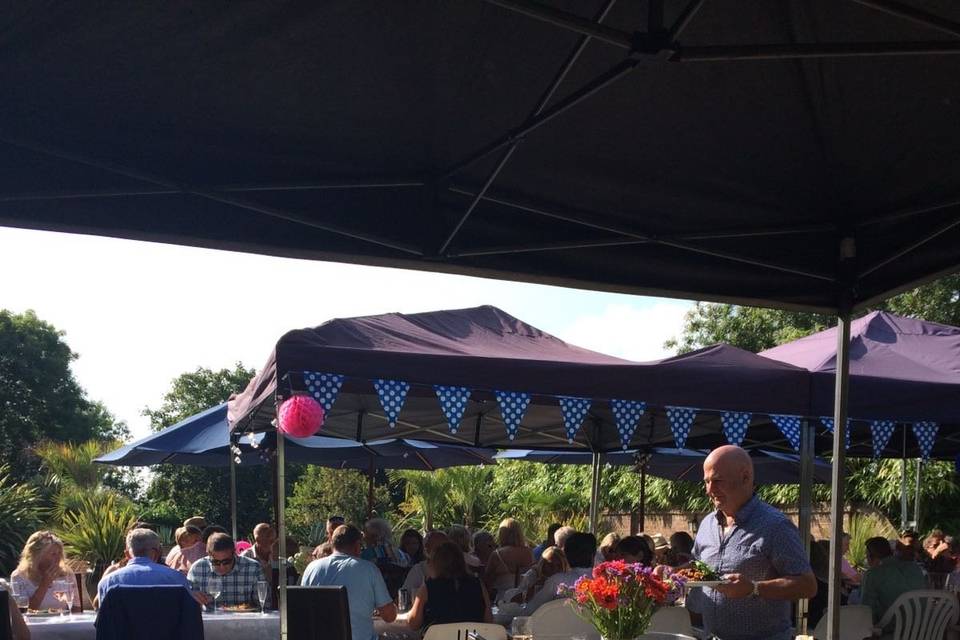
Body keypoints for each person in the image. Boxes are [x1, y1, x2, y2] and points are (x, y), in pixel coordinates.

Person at [686, 445, 817, 640]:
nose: (709, 490)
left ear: (745, 477)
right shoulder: (707, 524)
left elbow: (807, 585)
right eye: (706, 482)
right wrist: (672, 572)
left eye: (717, 480)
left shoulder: (775, 525)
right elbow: (697, 565)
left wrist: (754, 588)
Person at [301, 524, 396, 640]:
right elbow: (389, 616)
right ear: (357, 546)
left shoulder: (311, 568)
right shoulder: (368, 569)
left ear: (332, 544)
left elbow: (303, 609)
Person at [400, 541, 491, 630]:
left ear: (435, 563)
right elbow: (489, 620)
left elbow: (413, 624)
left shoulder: (428, 588)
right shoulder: (478, 585)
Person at [97, 528, 194, 605]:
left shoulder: (108, 582)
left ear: (127, 555)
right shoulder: (177, 579)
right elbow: (188, 618)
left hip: (122, 630)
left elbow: (105, 622)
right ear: (157, 553)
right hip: (165, 630)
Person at [860, 536, 927, 626]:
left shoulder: (873, 574)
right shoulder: (915, 568)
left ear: (870, 556)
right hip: (922, 629)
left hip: (891, 631)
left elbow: (866, 610)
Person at [524, 532, 596, 613]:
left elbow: (530, 609)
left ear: (567, 555)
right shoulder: (603, 583)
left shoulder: (557, 581)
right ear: (593, 556)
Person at [187, 532, 265, 607]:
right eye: (216, 562)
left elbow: (264, 605)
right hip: (208, 619)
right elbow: (187, 603)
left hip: (244, 619)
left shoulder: (253, 568)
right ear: (208, 554)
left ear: (234, 553)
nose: (222, 566)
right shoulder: (197, 569)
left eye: (226, 561)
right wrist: (193, 598)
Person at [11, 530, 80, 612]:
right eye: (53, 554)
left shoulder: (66, 573)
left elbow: (77, 607)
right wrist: (44, 584)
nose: (58, 558)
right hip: (33, 624)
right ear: (37, 556)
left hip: (62, 622)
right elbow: (23, 611)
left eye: (59, 553)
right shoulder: (19, 576)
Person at [483, 518, 533, 600]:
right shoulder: (529, 552)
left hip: (503, 600)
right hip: (524, 599)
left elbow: (487, 582)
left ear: (502, 534)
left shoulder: (497, 554)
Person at [240, 523, 277, 604]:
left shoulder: (278, 555)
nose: (272, 543)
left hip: (277, 604)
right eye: (268, 540)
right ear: (257, 540)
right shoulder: (245, 558)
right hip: (253, 605)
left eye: (273, 540)